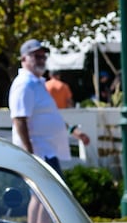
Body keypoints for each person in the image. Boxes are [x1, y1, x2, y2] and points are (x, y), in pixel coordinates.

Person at [10, 40, 87, 173]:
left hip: (47, 152)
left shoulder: (37, 83)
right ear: (23, 59)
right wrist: (30, 154)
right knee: (49, 193)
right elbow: (19, 120)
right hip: (38, 154)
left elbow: (50, 114)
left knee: (46, 193)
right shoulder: (24, 84)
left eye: (43, 56)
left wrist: (73, 132)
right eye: (36, 56)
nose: (41, 60)